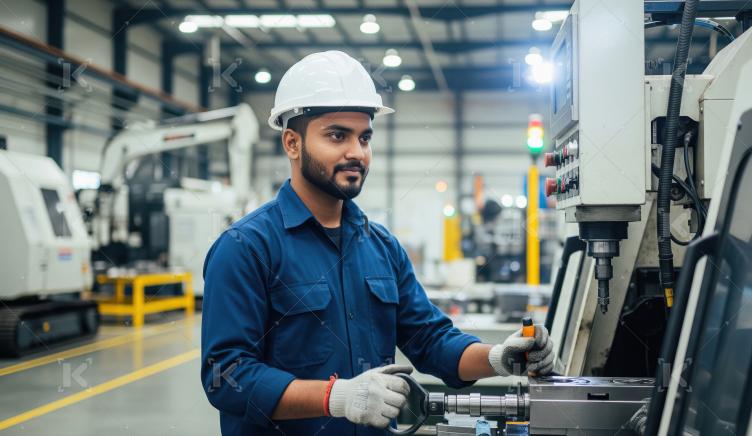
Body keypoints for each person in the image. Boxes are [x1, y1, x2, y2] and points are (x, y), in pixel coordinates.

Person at [201, 50, 555, 436]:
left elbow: (430, 338)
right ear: (292, 143)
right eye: (337, 135)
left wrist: (499, 357)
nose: (357, 152)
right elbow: (226, 375)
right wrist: (335, 397)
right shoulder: (246, 248)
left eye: (364, 137)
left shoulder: (381, 247)